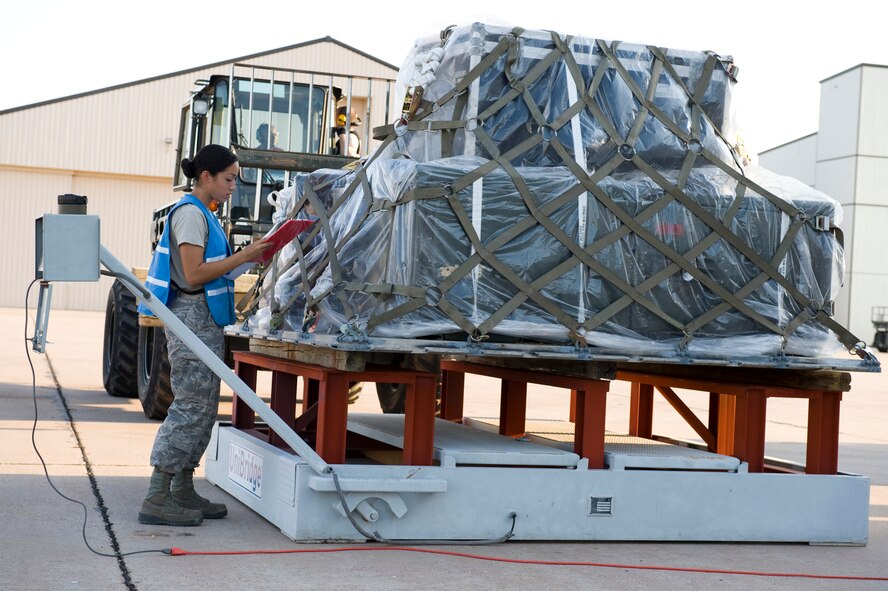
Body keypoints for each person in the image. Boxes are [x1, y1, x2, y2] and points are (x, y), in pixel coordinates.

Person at [136, 144, 273, 526]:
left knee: (204, 406)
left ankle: (181, 488)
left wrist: (245, 257)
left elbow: (210, 269)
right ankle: (157, 494)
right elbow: (195, 274)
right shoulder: (191, 214)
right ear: (206, 177)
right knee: (191, 405)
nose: (234, 186)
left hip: (203, 317)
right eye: (229, 179)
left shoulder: (206, 215)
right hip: (191, 316)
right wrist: (244, 257)